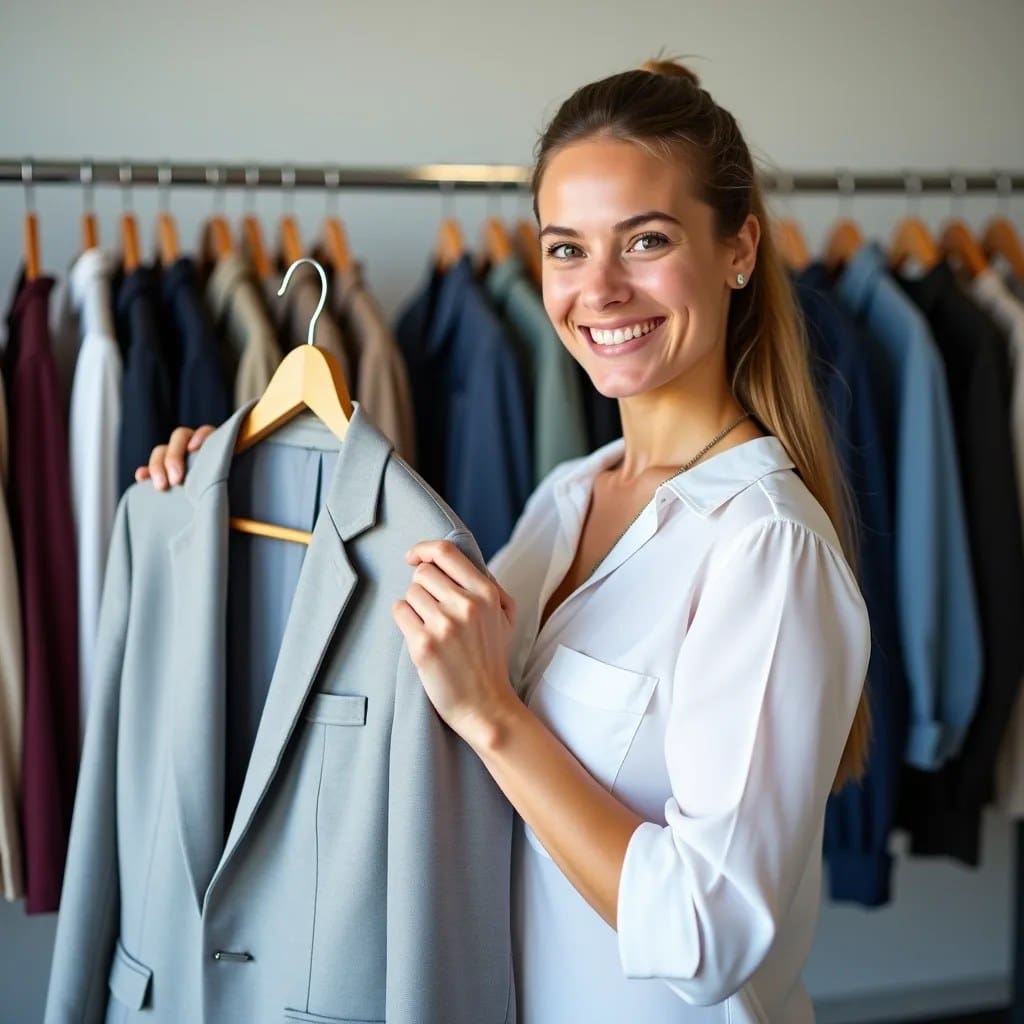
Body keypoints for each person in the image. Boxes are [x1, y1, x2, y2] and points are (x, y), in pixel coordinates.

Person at [137, 59, 870, 1023]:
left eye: (645, 241)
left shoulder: (765, 548)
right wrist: (223, 491)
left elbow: (709, 932)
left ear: (739, 249)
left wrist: (496, 716)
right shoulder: (566, 499)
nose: (598, 290)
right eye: (566, 249)